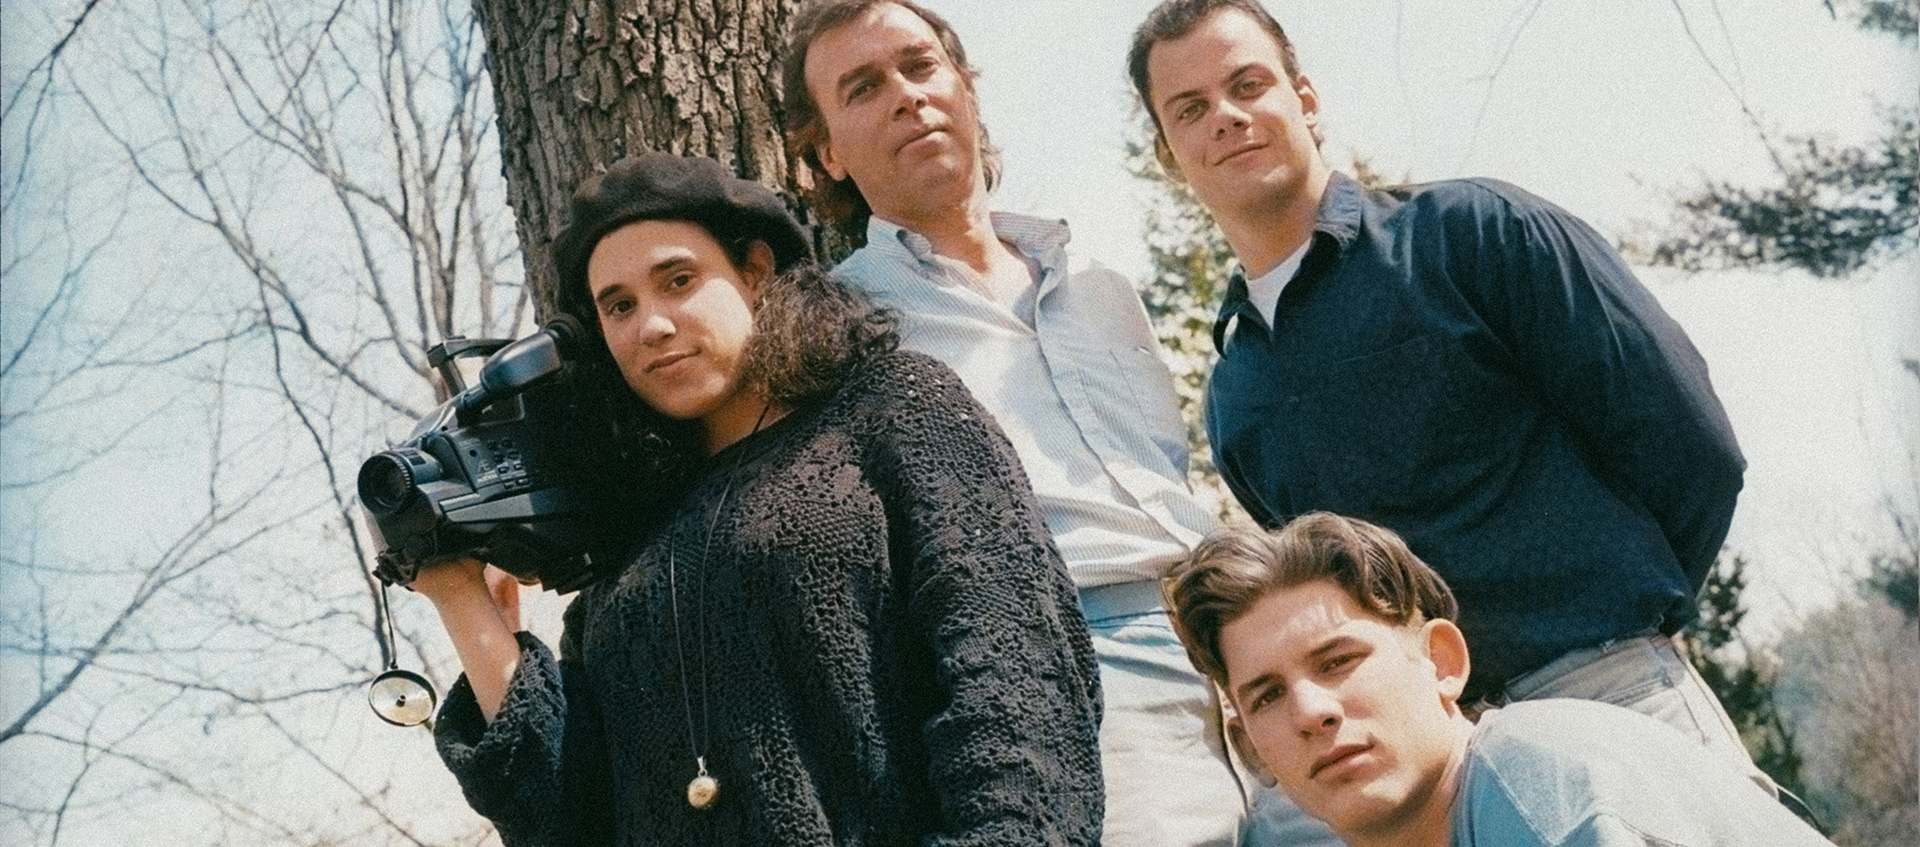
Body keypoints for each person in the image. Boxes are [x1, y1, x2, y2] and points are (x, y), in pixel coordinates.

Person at [1127, 0, 1760, 782]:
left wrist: (1626, 623)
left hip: (1618, 695)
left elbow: (1689, 445)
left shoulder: (1475, 234)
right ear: (1168, 151)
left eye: (1247, 84)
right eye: (1190, 109)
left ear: (1307, 98)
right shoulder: (1235, 395)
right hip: (1439, 763)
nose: (1225, 116)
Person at [410, 152, 1103, 846]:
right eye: (617, 306)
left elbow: (1019, 692)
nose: (650, 324)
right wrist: (457, 593)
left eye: (677, 280)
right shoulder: (627, 549)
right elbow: (566, 817)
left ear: (756, 270)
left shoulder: (894, 411)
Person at [780, 3, 1339, 845]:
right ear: (823, 152)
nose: (907, 97)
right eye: (864, 88)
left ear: (966, 89)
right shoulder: (840, 330)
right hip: (1077, 672)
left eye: (921, 67)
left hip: (1248, 643)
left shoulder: (1102, 287)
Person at [1162, 514, 1834, 847]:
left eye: (1338, 660)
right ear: (1252, 752)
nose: (1311, 708)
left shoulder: (1545, 797)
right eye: (1267, 694)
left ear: (1443, 662)